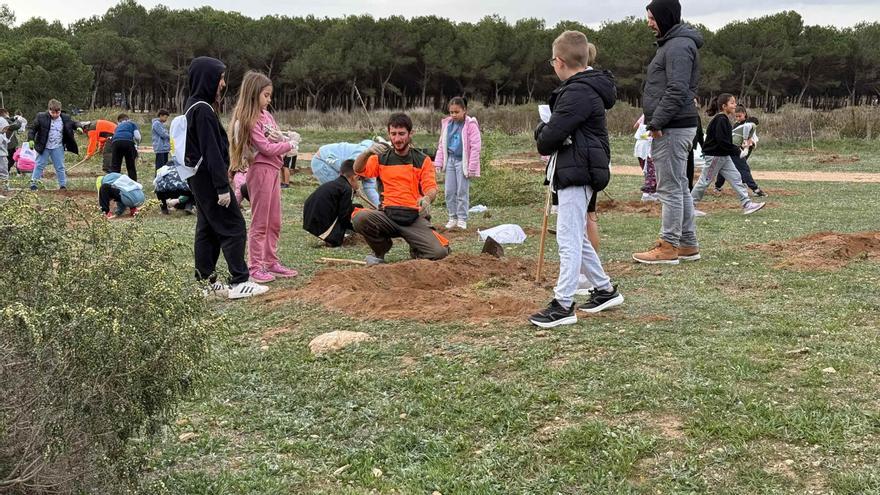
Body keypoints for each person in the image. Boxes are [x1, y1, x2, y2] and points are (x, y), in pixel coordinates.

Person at [529, 31, 624, 329]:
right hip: (579, 166)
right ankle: (605, 290)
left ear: (559, 62)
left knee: (568, 239)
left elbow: (548, 139)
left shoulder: (577, 92)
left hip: (576, 169)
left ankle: (563, 304)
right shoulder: (586, 88)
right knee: (576, 235)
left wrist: (540, 130)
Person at [184, 56, 268, 300]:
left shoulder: (192, 105)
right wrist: (222, 186)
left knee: (208, 229)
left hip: (198, 179)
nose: (222, 83)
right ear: (208, 78)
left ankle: (206, 283)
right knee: (233, 226)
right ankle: (240, 280)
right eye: (220, 78)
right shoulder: (204, 111)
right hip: (210, 180)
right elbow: (211, 152)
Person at [632, 0, 703, 265]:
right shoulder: (674, 44)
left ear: (666, 16)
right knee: (679, 185)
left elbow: (677, 88)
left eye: (652, 17)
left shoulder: (679, 46)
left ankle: (668, 245)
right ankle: (687, 244)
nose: (649, 22)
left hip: (672, 127)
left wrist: (657, 122)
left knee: (670, 188)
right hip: (675, 124)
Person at [228, 70, 301, 283]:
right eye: (266, 95)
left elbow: (275, 137)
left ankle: (271, 261)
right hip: (259, 171)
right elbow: (266, 147)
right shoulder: (249, 120)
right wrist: (289, 145)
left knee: (274, 220)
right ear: (253, 94)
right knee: (260, 221)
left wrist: (285, 138)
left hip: (273, 171)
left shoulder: (267, 116)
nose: (269, 100)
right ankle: (255, 266)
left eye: (270, 95)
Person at [352, 113, 449, 265]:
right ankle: (381, 249)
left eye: (402, 134)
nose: (397, 139)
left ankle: (416, 247)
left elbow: (431, 188)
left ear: (411, 134)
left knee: (439, 253)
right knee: (359, 218)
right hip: (387, 215)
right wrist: (366, 153)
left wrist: (427, 198)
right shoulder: (380, 157)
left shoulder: (422, 160)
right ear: (388, 134)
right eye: (393, 134)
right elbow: (358, 169)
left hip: (414, 218)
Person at [691, 94, 766, 216]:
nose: (735, 105)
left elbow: (725, 142)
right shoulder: (720, 119)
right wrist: (737, 151)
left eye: (734, 102)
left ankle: (747, 204)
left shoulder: (724, 119)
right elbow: (722, 141)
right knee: (704, 181)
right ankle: (689, 207)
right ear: (724, 106)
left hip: (723, 156)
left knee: (736, 178)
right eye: (732, 103)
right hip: (715, 156)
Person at [435, 96, 482, 230]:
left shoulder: (471, 125)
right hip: (450, 160)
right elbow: (441, 145)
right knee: (449, 191)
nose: (454, 115)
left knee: (462, 191)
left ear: (464, 110)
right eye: (451, 112)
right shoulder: (447, 124)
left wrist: (471, 166)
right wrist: (438, 162)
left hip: (463, 162)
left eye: (457, 112)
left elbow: (475, 147)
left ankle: (462, 219)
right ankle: (452, 217)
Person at [28, 99, 83, 191]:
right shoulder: (41, 117)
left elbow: (74, 123)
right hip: (44, 146)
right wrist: (30, 139)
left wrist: (78, 127)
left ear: (60, 111)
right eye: (53, 113)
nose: (55, 115)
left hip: (58, 146)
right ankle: (34, 184)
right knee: (39, 165)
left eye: (57, 113)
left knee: (60, 166)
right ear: (49, 110)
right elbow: (32, 129)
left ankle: (62, 185)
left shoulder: (65, 118)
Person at [302, 159, 360, 247]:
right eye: (359, 180)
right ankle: (333, 236)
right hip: (321, 225)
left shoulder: (337, 183)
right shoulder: (347, 189)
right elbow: (344, 216)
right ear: (355, 177)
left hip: (310, 220)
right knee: (356, 212)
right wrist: (355, 229)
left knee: (356, 207)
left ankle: (333, 234)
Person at [714, 105, 767, 197]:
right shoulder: (736, 124)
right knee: (743, 168)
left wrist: (748, 142)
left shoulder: (749, 123)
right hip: (735, 149)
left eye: (740, 116)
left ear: (745, 114)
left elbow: (751, 137)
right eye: (736, 116)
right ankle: (755, 189)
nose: (738, 118)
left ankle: (718, 186)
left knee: (727, 166)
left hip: (744, 148)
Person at [311, 140, 380, 206]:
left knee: (345, 192)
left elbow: (370, 188)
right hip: (322, 160)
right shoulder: (360, 157)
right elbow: (348, 174)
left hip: (342, 167)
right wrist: (356, 188)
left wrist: (380, 207)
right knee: (340, 190)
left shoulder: (375, 166)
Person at [633, 114, 657, 201]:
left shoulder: (644, 115)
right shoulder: (654, 117)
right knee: (651, 170)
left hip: (639, 146)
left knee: (647, 170)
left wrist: (641, 134)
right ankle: (648, 193)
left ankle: (652, 190)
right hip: (647, 146)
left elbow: (635, 126)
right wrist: (645, 135)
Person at [110, 113, 141, 181]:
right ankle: (133, 183)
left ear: (119, 121)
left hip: (116, 143)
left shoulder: (117, 127)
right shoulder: (132, 124)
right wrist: (137, 144)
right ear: (127, 119)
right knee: (130, 166)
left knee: (115, 166)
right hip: (128, 142)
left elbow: (113, 136)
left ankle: (113, 182)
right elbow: (137, 137)